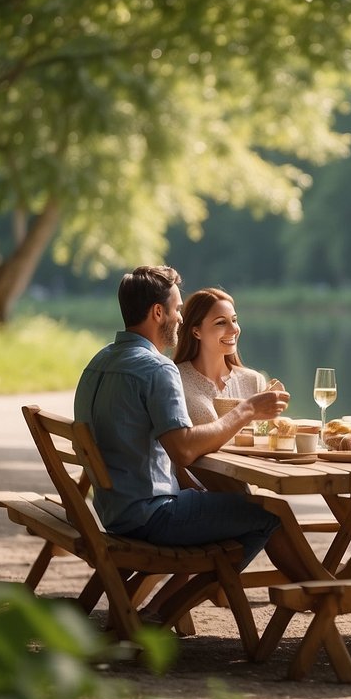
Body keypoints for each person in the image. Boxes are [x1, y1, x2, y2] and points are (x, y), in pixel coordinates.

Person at [73, 266, 312, 624]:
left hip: (112, 509)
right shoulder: (157, 369)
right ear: (158, 312)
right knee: (269, 516)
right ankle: (322, 593)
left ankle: (157, 610)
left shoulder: (101, 360)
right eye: (178, 309)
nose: (181, 318)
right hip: (150, 514)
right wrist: (247, 409)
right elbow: (183, 450)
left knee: (238, 510)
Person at [172, 287, 272, 425]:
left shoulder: (254, 381)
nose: (234, 329)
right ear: (196, 332)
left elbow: (268, 438)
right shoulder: (174, 379)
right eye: (221, 322)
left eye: (234, 320)